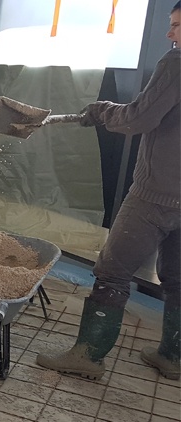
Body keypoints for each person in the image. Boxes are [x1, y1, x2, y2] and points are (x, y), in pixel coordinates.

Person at [36, 1, 181, 380]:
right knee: (179, 280)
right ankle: (174, 357)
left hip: (155, 195)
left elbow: (139, 119)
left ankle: (88, 356)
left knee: (113, 271)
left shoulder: (176, 63)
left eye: (177, 25)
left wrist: (101, 111)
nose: (169, 33)